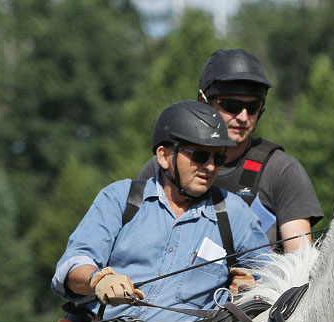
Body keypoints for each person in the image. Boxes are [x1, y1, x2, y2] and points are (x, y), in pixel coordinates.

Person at [53, 100, 271, 322]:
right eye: (199, 155)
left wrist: (253, 291)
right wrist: (97, 279)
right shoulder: (119, 198)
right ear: (165, 156)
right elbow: (71, 267)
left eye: (218, 158)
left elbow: (271, 279)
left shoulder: (235, 213)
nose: (209, 167)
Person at [136, 48, 323, 252]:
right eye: (231, 105)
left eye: (252, 107)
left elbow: (300, 260)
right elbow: (135, 244)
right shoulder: (165, 165)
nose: (243, 117)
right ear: (203, 102)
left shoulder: (282, 170)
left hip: (256, 283)